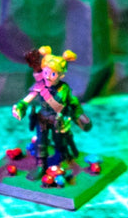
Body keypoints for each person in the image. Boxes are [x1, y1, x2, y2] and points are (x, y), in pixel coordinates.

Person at [12, 45, 91, 180]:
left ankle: (60, 161)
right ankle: (40, 165)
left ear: (61, 75)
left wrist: (79, 114)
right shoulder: (41, 85)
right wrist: (20, 106)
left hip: (57, 120)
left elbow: (73, 101)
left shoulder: (64, 89)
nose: (48, 76)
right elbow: (28, 98)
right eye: (46, 72)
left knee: (59, 141)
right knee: (41, 142)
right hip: (42, 118)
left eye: (53, 74)